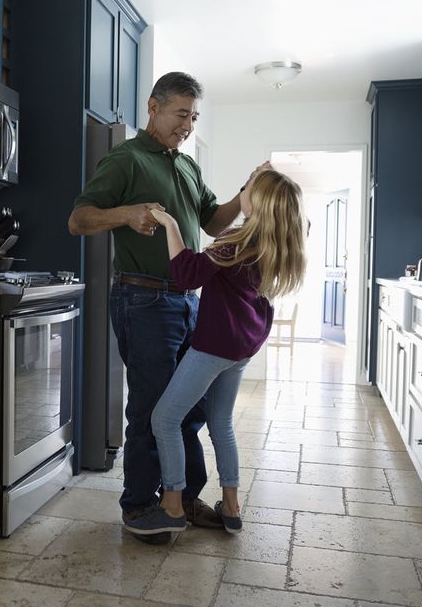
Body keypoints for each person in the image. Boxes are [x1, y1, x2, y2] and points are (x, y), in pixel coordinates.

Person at [68, 72, 253, 542]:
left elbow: (213, 222)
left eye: (193, 116)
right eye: (180, 114)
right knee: (154, 408)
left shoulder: (187, 166)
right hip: (143, 299)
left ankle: (183, 500)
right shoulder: (126, 159)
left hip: (189, 301)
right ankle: (138, 507)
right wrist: (125, 214)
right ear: (153, 107)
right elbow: (79, 219)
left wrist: (244, 196)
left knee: (189, 409)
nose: (188, 125)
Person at [124, 167, 307, 537]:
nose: (243, 191)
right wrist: (259, 183)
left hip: (213, 348)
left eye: (248, 189)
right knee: (221, 423)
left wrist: (170, 223)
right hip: (244, 348)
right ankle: (232, 506)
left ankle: (172, 507)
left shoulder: (235, 242)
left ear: (256, 202)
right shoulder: (276, 243)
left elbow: (187, 275)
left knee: (164, 420)